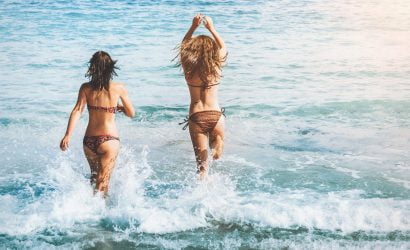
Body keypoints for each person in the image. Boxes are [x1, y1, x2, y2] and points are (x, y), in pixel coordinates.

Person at [60, 51, 135, 197]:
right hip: (109, 140)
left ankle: (90, 210)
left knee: (94, 179)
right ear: (110, 68)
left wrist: (67, 135)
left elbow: (77, 111)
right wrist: (119, 108)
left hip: (89, 142)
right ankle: (101, 214)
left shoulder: (85, 88)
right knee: (103, 183)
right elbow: (131, 113)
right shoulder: (118, 88)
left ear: (92, 67)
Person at [177, 14, 227, 179]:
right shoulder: (217, 68)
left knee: (202, 168)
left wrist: (192, 27)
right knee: (215, 139)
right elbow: (223, 48)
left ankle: (202, 189)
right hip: (216, 115)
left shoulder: (189, 71)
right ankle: (217, 142)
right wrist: (211, 28)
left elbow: (183, 47)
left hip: (197, 116)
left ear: (193, 51)